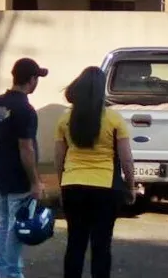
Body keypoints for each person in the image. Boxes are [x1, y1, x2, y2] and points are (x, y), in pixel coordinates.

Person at [54, 66, 136, 278]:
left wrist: (62, 185)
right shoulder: (114, 119)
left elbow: (59, 158)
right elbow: (126, 159)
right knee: (101, 246)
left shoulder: (65, 119)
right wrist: (131, 186)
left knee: (75, 243)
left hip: (72, 185)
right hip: (105, 188)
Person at [0, 58, 47, 278]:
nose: (37, 82)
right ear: (31, 80)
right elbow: (26, 148)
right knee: (15, 226)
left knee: (3, 224)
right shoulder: (25, 109)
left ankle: (2, 271)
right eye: (37, 77)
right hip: (18, 178)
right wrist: (35, 181)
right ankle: (12, 273)